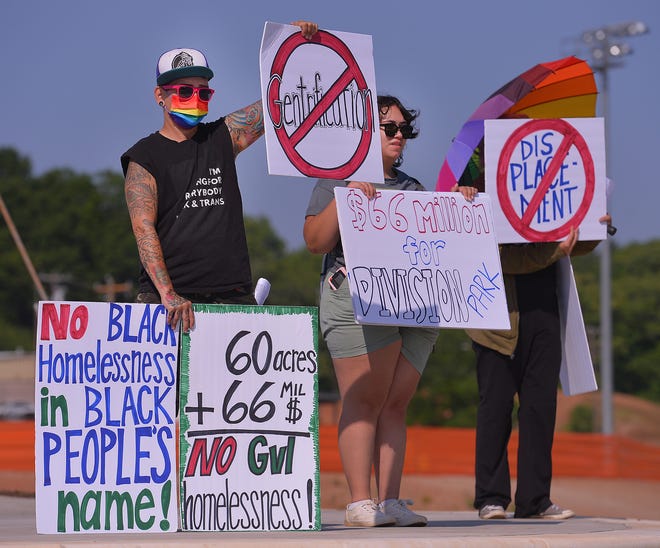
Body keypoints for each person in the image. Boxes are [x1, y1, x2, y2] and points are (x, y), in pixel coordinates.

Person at [304, 95, 476, 527]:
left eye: (405, 129)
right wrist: (344, 200)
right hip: (355, 299)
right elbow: (314, 242)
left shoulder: (412, 188)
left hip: (414, 306)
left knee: (395, 403)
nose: (400, 136)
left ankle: (391, 501)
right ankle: (359, 503)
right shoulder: (336, 180)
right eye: (390, 128)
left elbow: (437, 244)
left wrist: (459, 203)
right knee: (364, 399)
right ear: (364, 132)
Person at [121, 21, 318, 333]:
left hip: (233, 297)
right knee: (176, 384)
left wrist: (294, 46)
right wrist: (169, 294)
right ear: (160, 95)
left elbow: (278, 103)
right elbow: (143, 229)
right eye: (184, 90)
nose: (195, 97)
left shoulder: (222, 136)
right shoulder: (144, 157)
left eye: (203, 91)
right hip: (169, 303)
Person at [467, 215, 613, 520]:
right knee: (495, 406)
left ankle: (535, 500)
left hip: (545, 313)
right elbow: (500, 256)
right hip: (497, 318)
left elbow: (573, 245)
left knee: (541, 408)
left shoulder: (549, 180)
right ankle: (490, 498)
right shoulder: (475, 178)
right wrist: (555, 252)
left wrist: (594, 226)